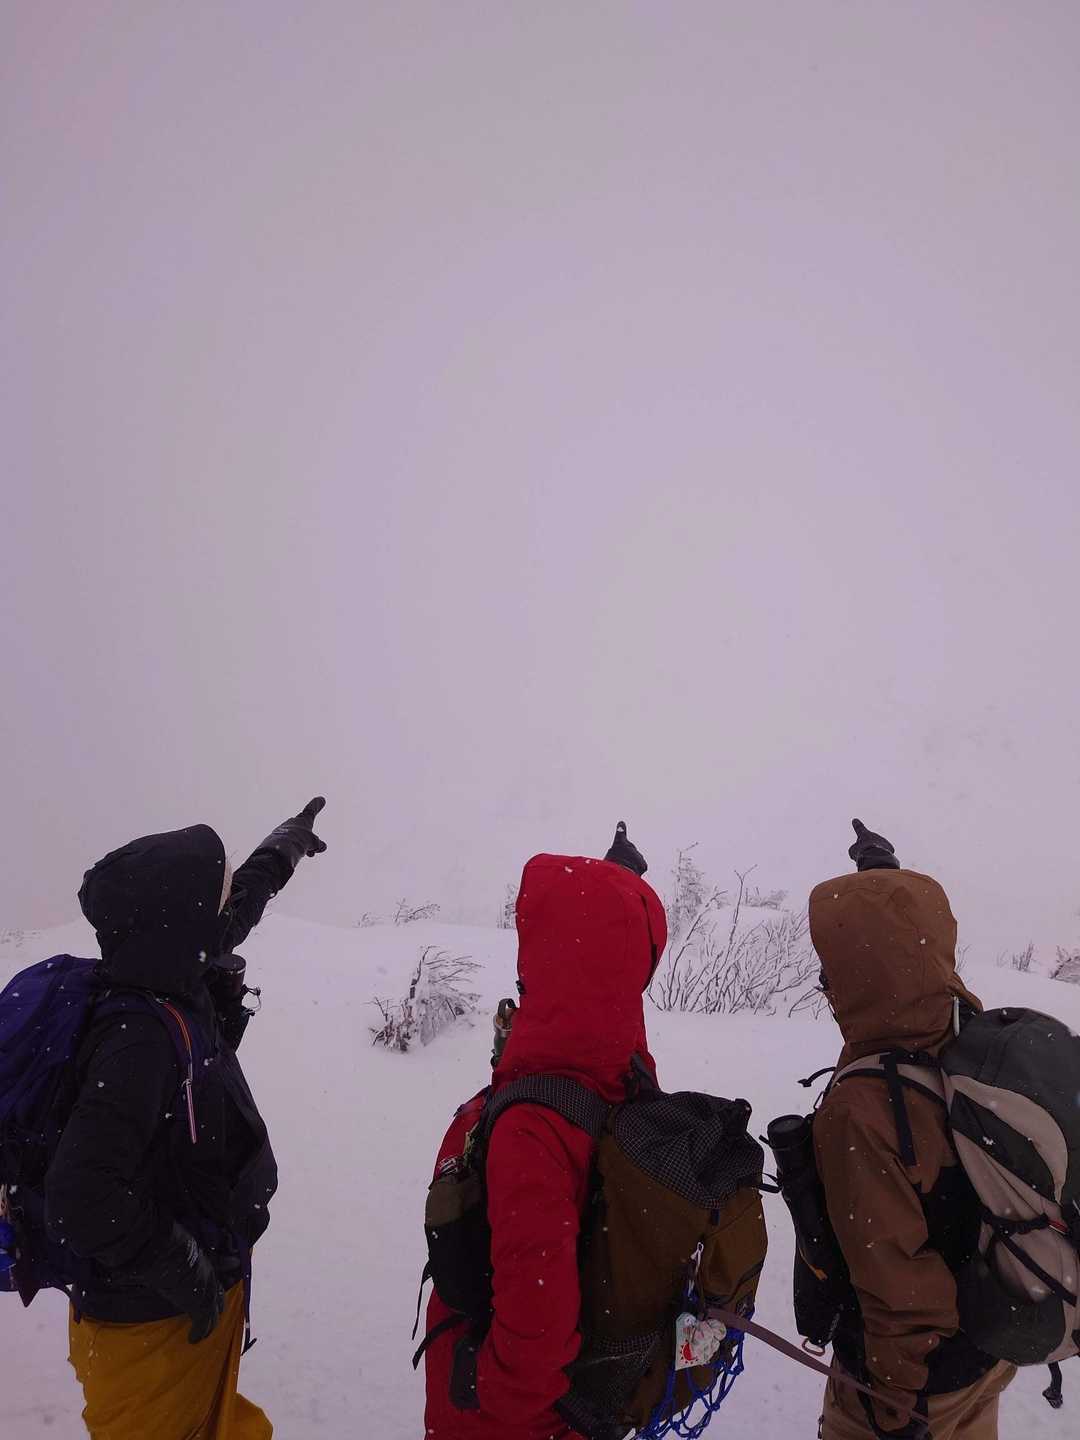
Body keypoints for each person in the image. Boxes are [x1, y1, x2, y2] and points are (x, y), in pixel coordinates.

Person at [43, 797, 328, 1440]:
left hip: (184, 1303)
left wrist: (282, 847)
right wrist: (187, 1270)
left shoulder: (173, 962)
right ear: (179, 918)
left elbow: (242, 904)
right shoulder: (137, 1036)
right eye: (213, 899)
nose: (226, 913)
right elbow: (80, 1195)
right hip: (146, 1324)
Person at [423, 823, 668, 1440]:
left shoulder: (533, 1129)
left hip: (513, 1425)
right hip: (590, 1407)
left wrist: (480, 1387)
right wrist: (620, 893)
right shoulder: (626, 1076)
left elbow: (534, 1348)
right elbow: (599, 982)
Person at [809, 820, 1015, 1440]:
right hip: (988, 1345)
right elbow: (903, 965)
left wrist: (896, 1404)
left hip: (913, 1383)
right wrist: (884, 877)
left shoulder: (862, 1108)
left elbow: (897, 1283)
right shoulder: (972, 1042)